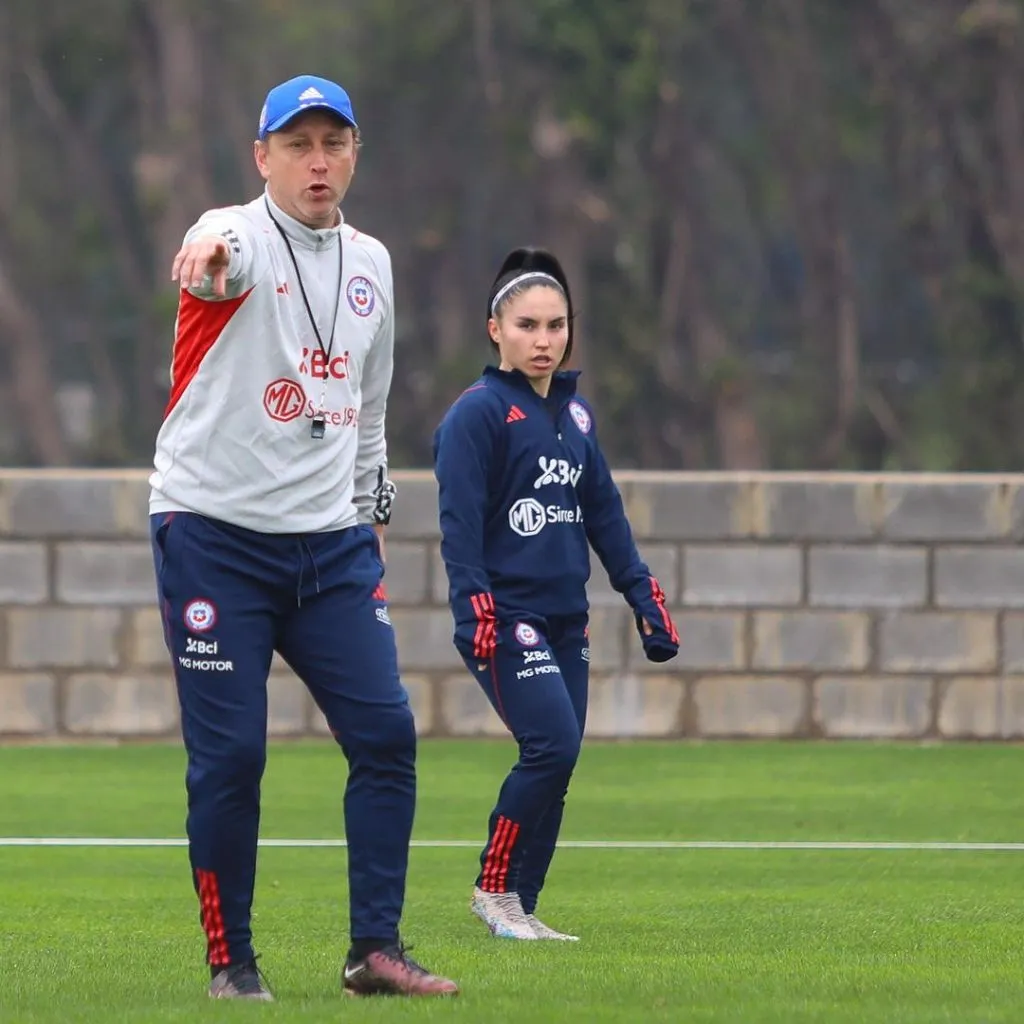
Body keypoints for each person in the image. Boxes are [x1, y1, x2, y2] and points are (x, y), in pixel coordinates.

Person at [149, 74, 458, 1000]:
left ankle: (375, 952)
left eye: (334, 142)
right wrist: (203, 257)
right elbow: (216, 252)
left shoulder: (372, 263)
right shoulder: (237, 235)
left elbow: (371, 404)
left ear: (356, 152)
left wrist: (371, 508)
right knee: (234, 755)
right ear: (264, 157)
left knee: (387, 732)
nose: (317, 161)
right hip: (214, 533)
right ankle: (230, 963)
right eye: (298, 145)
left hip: (329, 548)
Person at [432, 247, 680, 941]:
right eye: (527, 326)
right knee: (550, 745)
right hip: (505, 619)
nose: (543, 341)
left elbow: (604, 514)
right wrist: (473, 602)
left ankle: (522, 905)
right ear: (496, 330)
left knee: (561, 762)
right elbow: (458, 522)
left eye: (556, 326)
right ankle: (492, 888)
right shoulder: (476, 415)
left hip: (567, 620)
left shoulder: (576, 419)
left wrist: (642, 595)